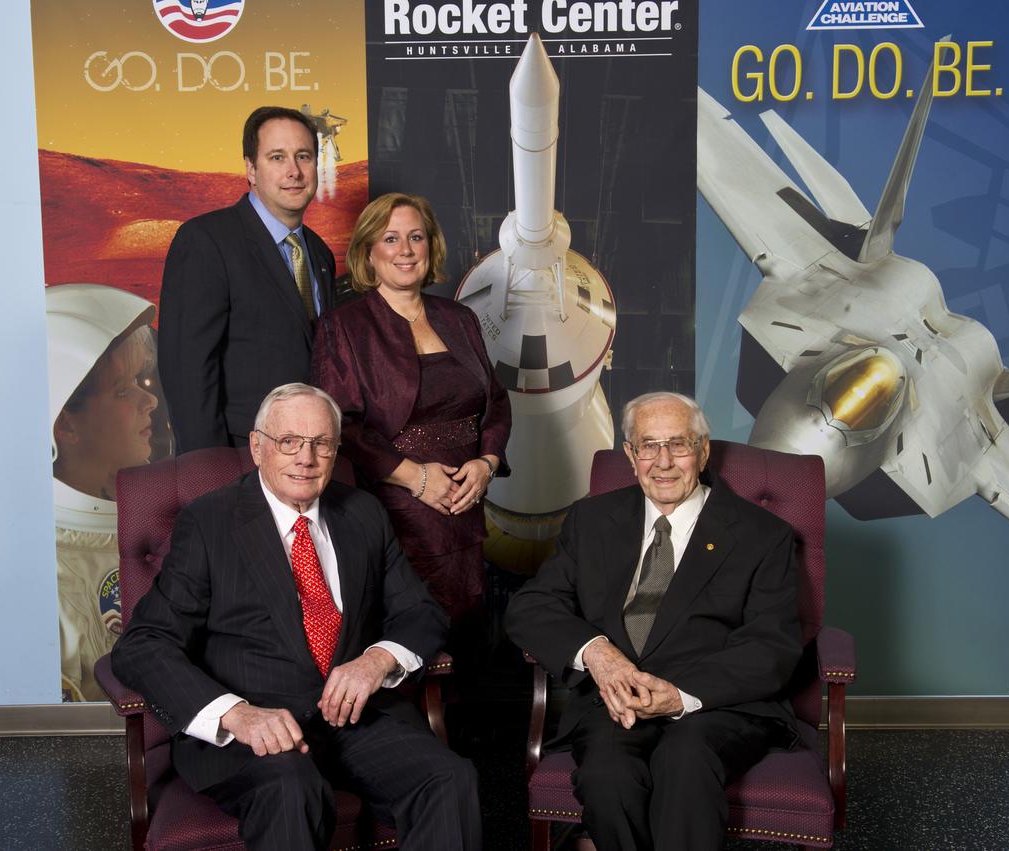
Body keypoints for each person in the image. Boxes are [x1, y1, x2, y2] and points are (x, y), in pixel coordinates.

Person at [111, 383, 481, 851]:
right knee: (292, 789)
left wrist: (377, 660)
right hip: (257, 730)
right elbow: (143, 644)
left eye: (321, 444)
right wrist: (236, 715)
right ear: (258, 446)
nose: (306, 458)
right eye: (289, 442)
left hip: (356, 720)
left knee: (449, 777)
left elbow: (420, 611)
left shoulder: (362, 513)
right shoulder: (209, 523)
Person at [505, 392, 802, 850]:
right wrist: (598, 655)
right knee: (607, 777)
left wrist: (679, 696)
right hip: (616, 700)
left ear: (703, 451)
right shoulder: (592, 519)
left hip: (717, 706)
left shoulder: (762, 534)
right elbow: (532, 606)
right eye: (648, 445)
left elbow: (771, 646)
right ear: (629, 454)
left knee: (685, 762)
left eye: (678, 445)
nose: (663, 462)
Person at [312, 192, 510, 633]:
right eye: (391, 238)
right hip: (394, 507)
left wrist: (486, 463)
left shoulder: (459, 318)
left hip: (466, 502)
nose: (405, 250)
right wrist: (417, 479)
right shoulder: (343, 327)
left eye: (416, 237)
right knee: (412, 634)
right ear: (369, 252)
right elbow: (339, 424)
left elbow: (496, 402)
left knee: (468, 631)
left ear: (430, 246)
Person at [158, 106, 337, 453]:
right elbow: (188, 370)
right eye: (277, 157)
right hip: (239, 455)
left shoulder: (320, 253)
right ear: (251, 170)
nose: (294, 171)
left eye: (304, 156)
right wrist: (207, 470)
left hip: (310, 457)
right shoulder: (206, 240)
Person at [46, 283, 166, 702]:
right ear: (66, 425)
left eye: (141, 381)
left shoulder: (163, 521)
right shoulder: (44, 570)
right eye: (122, 389)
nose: (149, 399)